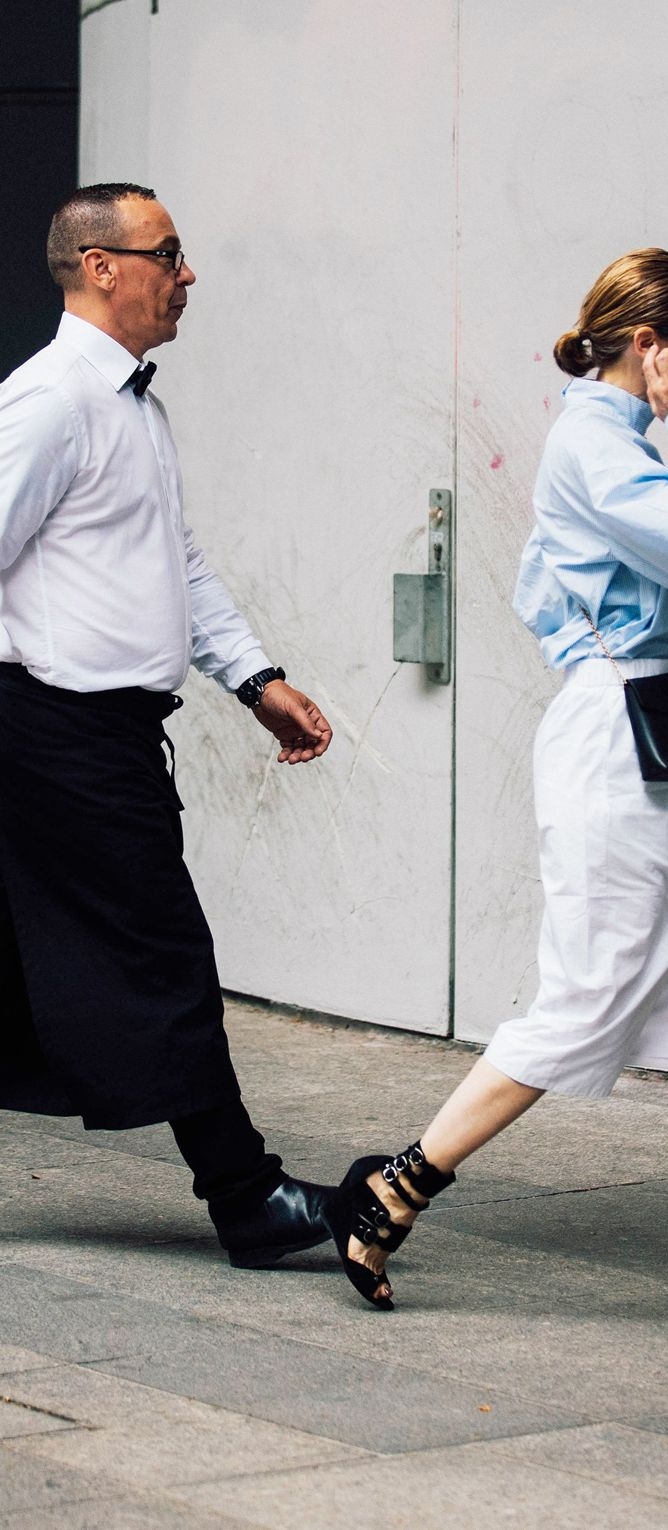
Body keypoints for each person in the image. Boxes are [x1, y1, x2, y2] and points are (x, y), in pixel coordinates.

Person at [333, 248, 668, 1317]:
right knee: (583, 995)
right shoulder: (598, 444)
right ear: (654, 346)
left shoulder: (616, 443)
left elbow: (643, 595)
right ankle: (395, 1185)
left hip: (662, 742)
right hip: (620, 751)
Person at [0, 182, 346, 1271]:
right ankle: (246, 1198)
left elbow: (176, 565)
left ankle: (245, 1192)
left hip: (98, 734)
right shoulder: (53, 398)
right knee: (165, 954)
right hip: (53, 732)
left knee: (67, 960)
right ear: (101, 266)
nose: (186, 274)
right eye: (169, 252)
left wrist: (256, 679)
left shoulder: (135, 408)